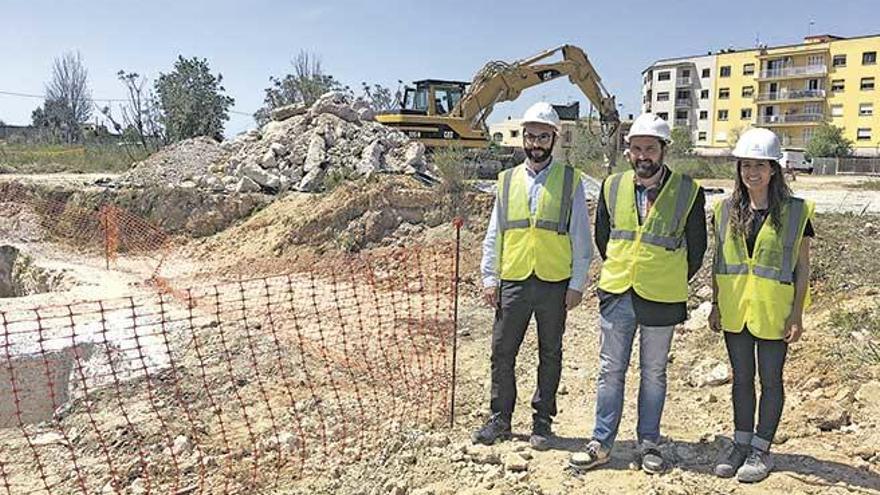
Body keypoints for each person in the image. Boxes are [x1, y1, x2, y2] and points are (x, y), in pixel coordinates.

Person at [569, 113, 707, 474]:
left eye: (650, 148)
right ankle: (601, 443)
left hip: (661, 297)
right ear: (627, 151)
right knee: (610, 370)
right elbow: (604, 237)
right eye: (636, 148)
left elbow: (697, 248)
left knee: (654, 372)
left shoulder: (689, 191)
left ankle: (649, 442)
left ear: (664, 150)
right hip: (618, 293)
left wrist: (666, 274)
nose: (642, 155)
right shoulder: (611, 186)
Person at [472, 102, 592, 451]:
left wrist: (577, 283)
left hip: (554, 282)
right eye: (530, 136)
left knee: (550, 353)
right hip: (514, 279)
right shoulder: (506, 181)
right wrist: (490, 277)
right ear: (523, 138)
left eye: (542, 136)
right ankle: (501, 418)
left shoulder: (570, 180)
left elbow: (580, 236)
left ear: (554, 138)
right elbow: (495, 232)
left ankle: (542, 421)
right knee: (502, 351)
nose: (535, 143)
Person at [710, 128, 814, 483]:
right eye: (745, 165)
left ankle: (761, 448)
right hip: (736, 309)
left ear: (774, 169)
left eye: (760, 165)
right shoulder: (724, 211)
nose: (751, 172)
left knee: (770, 380)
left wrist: (797, 314)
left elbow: (803, 269)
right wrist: (714, 305)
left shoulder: (796, 212)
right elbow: (718, 263)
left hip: (774, 311)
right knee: (741, 379)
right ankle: (740, 442)